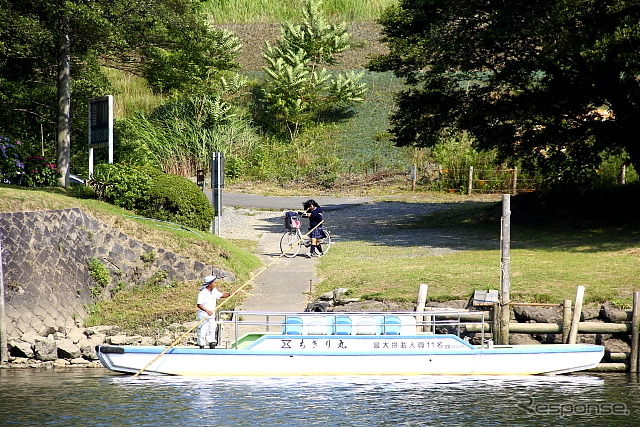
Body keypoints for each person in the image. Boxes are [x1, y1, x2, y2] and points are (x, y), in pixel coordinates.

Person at [196, 275, 230, 349]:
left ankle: (212, 346)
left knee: (212, 330)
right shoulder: (202, 293)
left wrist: (230, 294)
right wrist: (207, 311)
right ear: (209, 284)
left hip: (211, 316)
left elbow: (222, 295)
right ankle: (201, 347)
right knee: (202, 331)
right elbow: (199, 304)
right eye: (214, 282)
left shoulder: (214, 291)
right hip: (203, 316)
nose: (215, 284)